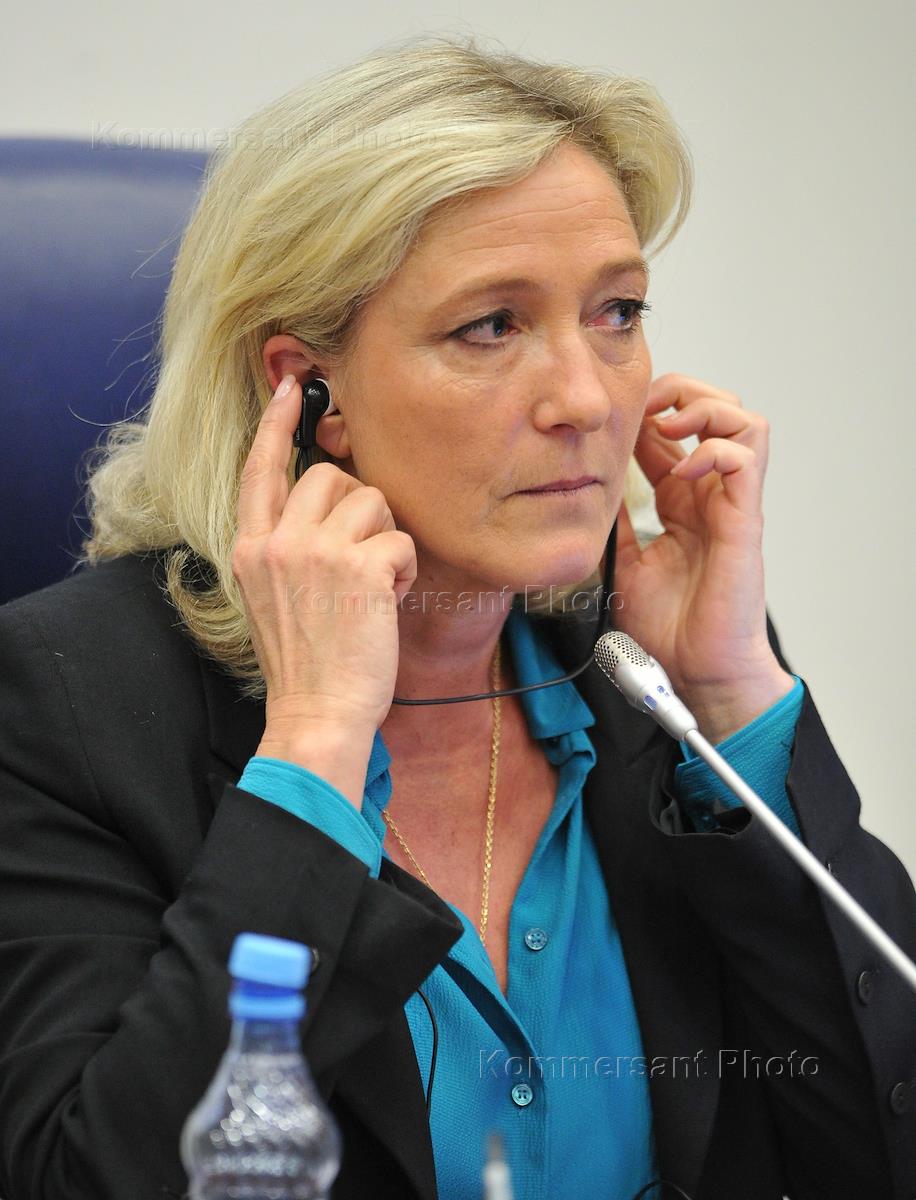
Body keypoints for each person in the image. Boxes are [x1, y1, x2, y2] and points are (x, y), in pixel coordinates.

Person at [0, 33, 914, 1200]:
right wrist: (315, 751)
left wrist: (732, 693)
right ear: (307, 391)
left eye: (617, 311)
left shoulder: (649, 674)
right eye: (491, 326)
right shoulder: (64, 703)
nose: (584, 398)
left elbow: (874, 1150)